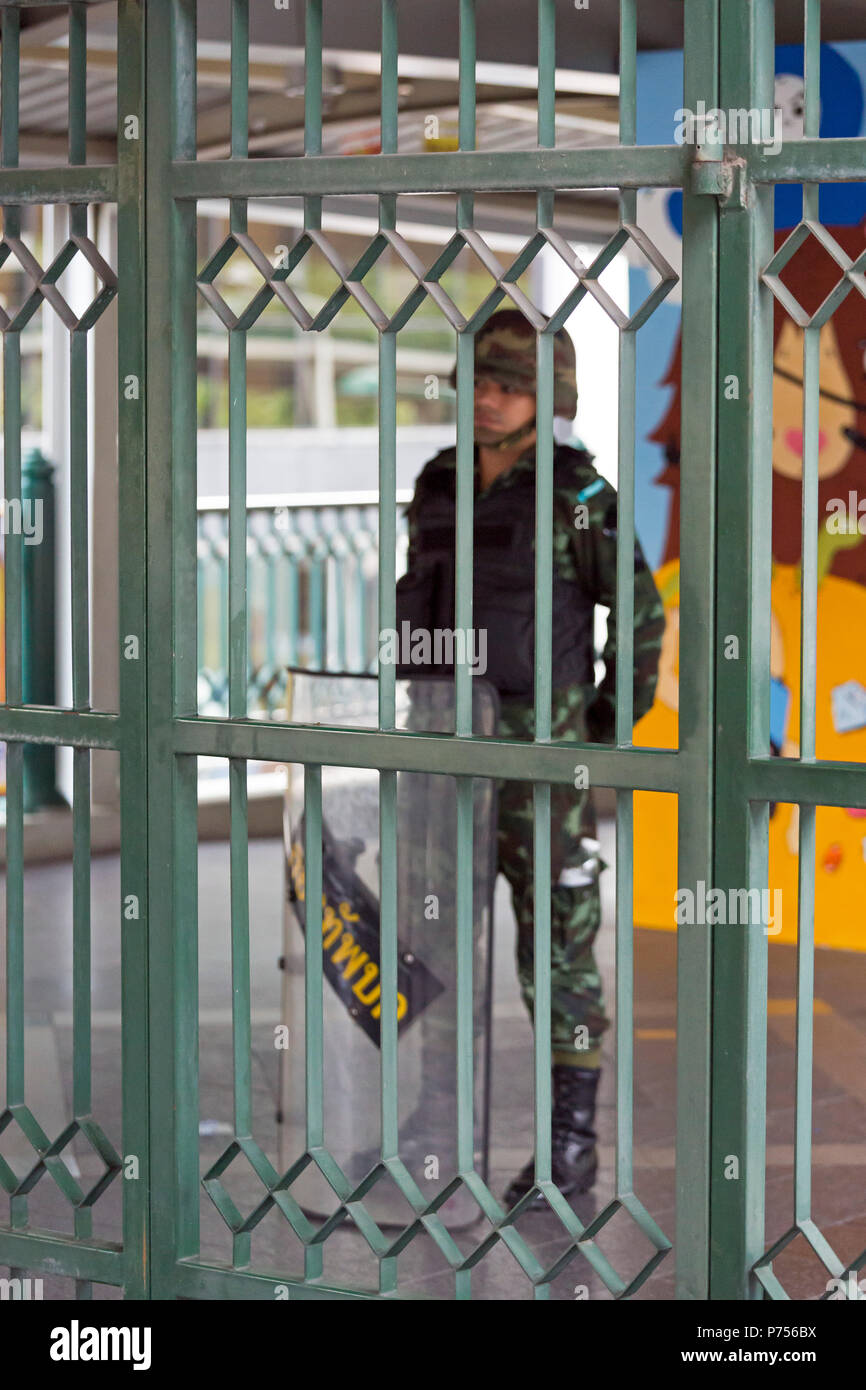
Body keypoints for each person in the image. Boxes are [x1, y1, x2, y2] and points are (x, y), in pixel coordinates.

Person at [395, 308, 664, 1207]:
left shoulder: (578, 494)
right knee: (434, 944)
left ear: (547, 395)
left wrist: (603, 729)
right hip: (441, 755)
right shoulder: (438, 483)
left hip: (541, 769)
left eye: (508, 385)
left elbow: (641, 613)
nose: (487, 399)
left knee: (557, 950)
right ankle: (436, 1124)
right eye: (479, 381)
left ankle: (569, 1145)